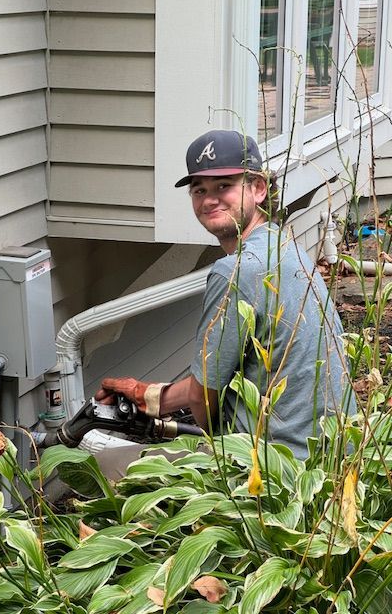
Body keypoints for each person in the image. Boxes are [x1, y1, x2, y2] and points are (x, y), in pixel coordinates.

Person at [94, 129, 354, 474]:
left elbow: (205, 403)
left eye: (224, 186)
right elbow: (213, 381)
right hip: (332, 453)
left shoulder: (235, 271)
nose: (208, 199)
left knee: (103, 469)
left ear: (258, 189)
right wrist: (144, 395)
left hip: (275, 469)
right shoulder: (283, 246)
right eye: (199, 189)